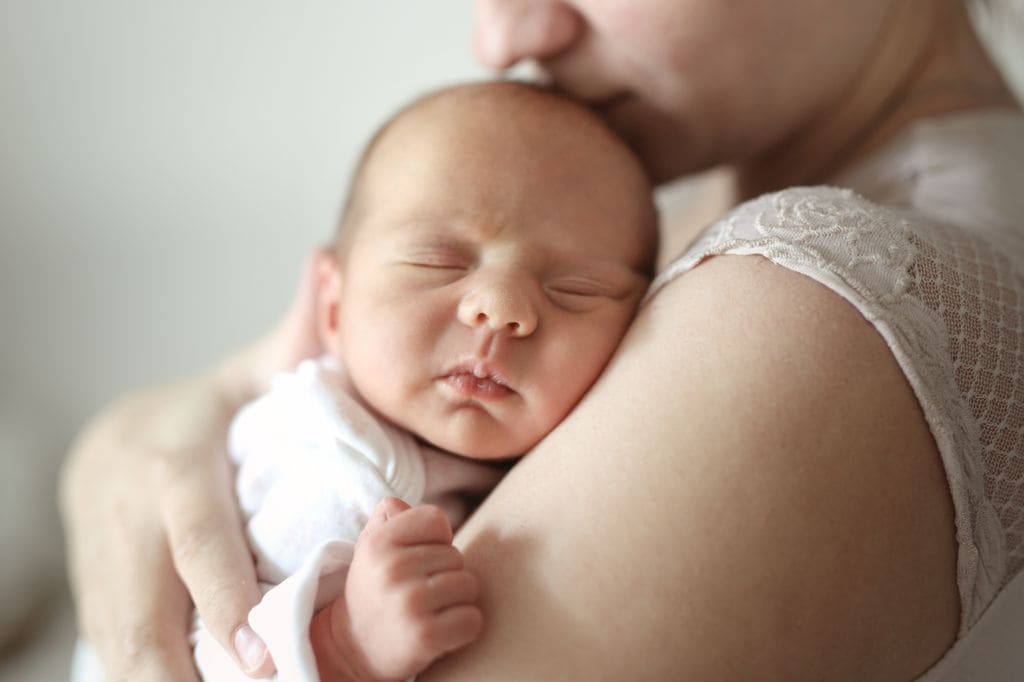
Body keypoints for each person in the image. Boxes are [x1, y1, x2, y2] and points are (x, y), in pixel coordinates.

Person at [60, 0, 1024, 680]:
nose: (504, 34)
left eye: (572, 290)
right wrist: (124, 446)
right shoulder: (654, 208)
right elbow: (214, 407)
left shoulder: (814, 308)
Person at [70, 81, 657, 682]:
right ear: (331, 307)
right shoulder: (335, 462)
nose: (501, 306)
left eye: (576, 291)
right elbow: (200, 651)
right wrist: (343, 647)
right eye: (438, 262)